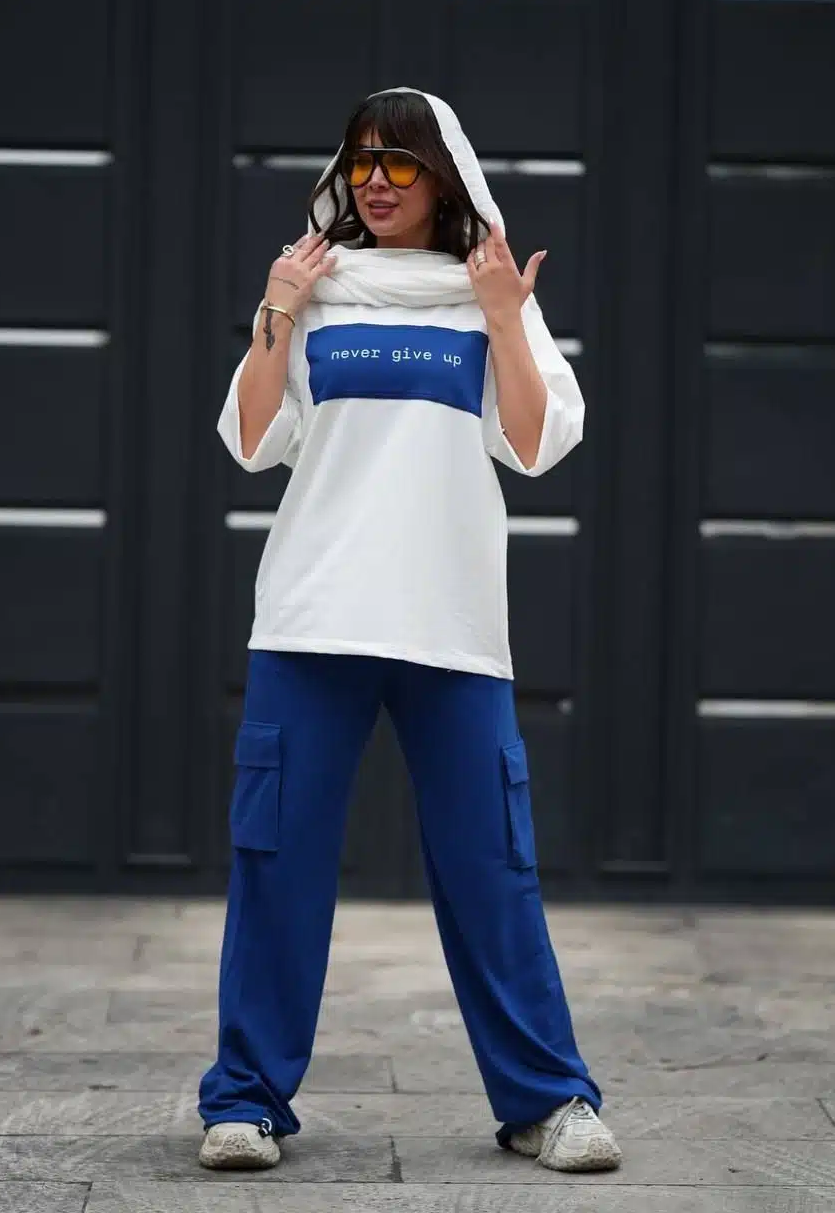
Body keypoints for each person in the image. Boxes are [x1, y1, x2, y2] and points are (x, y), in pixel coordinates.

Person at [197, 87, 621, 1175]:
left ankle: (549, 1101)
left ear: (444, 176)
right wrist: (277, 309)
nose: (376, 181)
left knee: (493, 869)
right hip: (312, 619)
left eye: (399, 162)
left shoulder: (488, 295)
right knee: (276, 863)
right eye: (360, 162)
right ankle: (243, 1102)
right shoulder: (316, 287)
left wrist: (502, 318)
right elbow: (250, 439)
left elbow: (535, 444)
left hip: (450, 626)